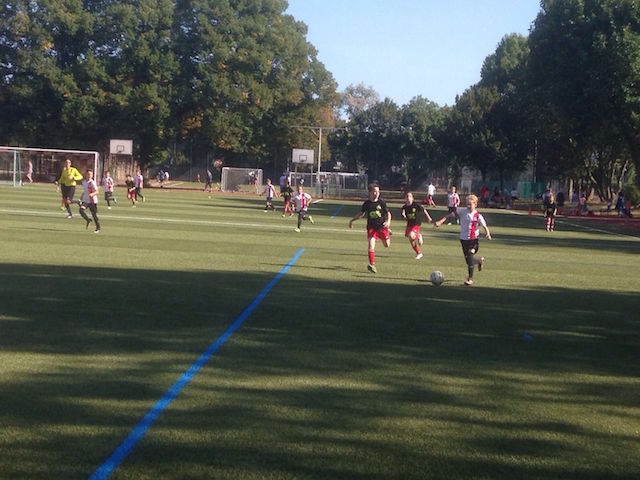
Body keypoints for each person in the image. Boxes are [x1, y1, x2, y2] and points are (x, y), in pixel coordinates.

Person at [434, 194, 492, 286]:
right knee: (469, 261)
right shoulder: (462, 212)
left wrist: (488, 234)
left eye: (470, 204)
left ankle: (470, 279)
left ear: (475, 204)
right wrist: (440, 221)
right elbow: (450, 215)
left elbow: (485, 226)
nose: (468, 206)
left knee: (470, 253)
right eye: (467, 204)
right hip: (464, 240)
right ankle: (479, 261)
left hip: (474, 241)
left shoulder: (478, 216)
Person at [348, 183, 391, 273]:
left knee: (386, 245)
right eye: (375, 191)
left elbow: (388, 213)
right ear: (370, 192)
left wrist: (388, 222)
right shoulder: (367, 203)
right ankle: (372, 264)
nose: (377, 193)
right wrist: (352, 220)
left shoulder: (381, 202)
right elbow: (361, 214)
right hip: (371, 228)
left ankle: (387, 232)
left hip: (381, 227)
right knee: (371, 245)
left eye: (378, 191)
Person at [401, 191, 433, 260]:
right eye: (407, 196)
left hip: (416, 223)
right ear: (405, 199)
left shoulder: (416, 205)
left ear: (412, 198)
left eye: (410, 196)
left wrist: (429, 217)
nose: (408, 198)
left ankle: (418, 235)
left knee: (411, 235)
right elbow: (403, 212)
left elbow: (424, 210)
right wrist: (403, 215)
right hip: (409, 224)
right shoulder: (404, 207)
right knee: (410, 238)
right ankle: (419, 253)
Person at [78, 169, 101, 233]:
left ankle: (98, 227)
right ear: (86, 175)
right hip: (85, 200)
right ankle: (88, 220)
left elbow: (97, 191)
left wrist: (92, 194)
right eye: (88, 174)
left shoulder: (92, 182)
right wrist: (81, 198)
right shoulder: (84, 182)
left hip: (92, 201)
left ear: (92, 175)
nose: (89, 176)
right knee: (81, 210)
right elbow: (85, 191)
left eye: (90, 174)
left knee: (94, 215)